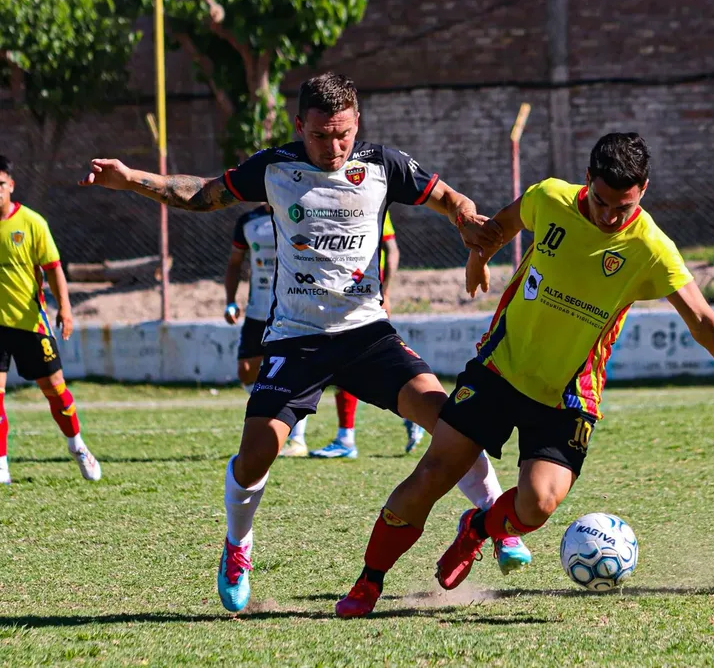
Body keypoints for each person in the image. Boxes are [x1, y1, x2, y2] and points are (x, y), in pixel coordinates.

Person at [79, 72, 529, 613]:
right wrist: (132, 179)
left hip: (368, 333)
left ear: (357, 122)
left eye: (342, 134)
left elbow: (451, 198)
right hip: (297, 339)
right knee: (256, 455)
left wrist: (467, 224)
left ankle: (494, 522)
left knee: (452, 421)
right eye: (320, 135)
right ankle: (238, 546)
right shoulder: (275, 168)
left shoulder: (383, 165)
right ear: (299, 126)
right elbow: (202, 193)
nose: (333, 147)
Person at [336, 132, 714, 618]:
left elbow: (703, 321)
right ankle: (369, 581)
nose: (610, 217)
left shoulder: (651, 248)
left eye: (623, 207)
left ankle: (477, 529)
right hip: (500, 368)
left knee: (537, 505)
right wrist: (478, 257)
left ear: (643, 190)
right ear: (587, 180)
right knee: (433, 474)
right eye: (601, 202)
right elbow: (497, 228)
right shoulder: (549, 198)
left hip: (568, 394)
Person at [0, 155, 101, 485]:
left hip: (30, 323)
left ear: (11, 185)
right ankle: (1, 466)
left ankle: (77, 445)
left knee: (56, 391)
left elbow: (54, 269)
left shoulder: (32, 223)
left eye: (0, 184)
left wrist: (65, 309)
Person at [306, 210, 426, 459]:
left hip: (362, 296)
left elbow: (391, 250)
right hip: (336, 295)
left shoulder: (373, 202)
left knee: (351, 361)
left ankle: (347, 438)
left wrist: (386, 293)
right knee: (355, 365)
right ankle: (411, 413)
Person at [224, 203, 310, 453]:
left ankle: (296, 439)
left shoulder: (298, 212)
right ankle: (273, 413)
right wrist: (231, 301)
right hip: (258, 309)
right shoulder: (248, 221)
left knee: (293, 373)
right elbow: (235, 263)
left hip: (291, 309)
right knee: (246, 371)